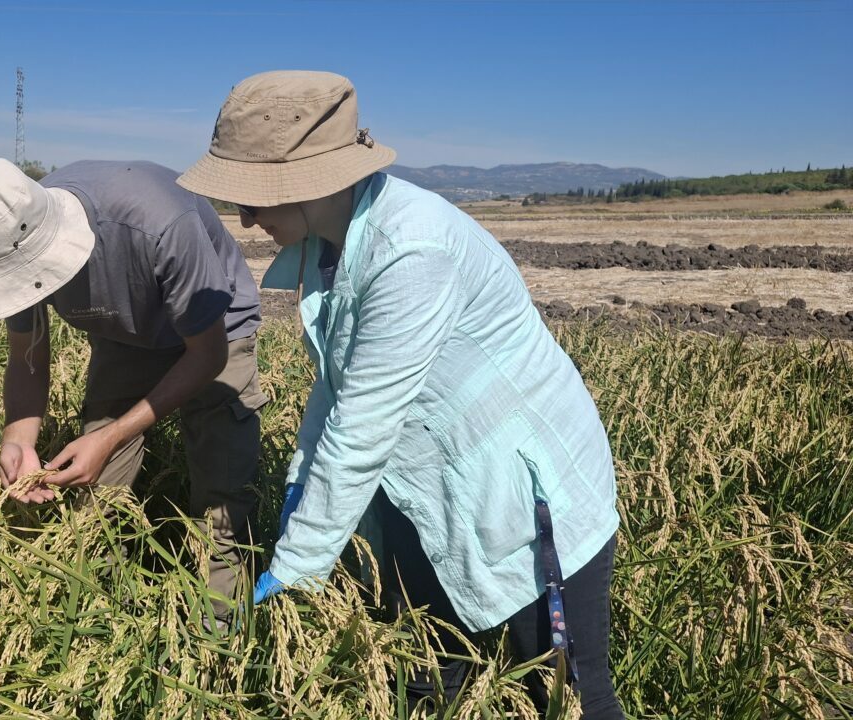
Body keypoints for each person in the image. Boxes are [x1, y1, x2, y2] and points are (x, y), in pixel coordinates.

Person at [177, 71, 622, 716]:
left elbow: (362, 424)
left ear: (311, 183)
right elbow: (336, 386)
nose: (244, 218)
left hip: (525, 498)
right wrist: (301, 485)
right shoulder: (328, 243)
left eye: (254, 199)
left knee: (567, 694)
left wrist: (298, 564)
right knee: (427, 675)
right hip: (421, 486)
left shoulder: (412, 250)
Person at [0, 158, 267, 617]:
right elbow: (28, 356)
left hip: (216, 331)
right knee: (97, 501)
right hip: (124, 335)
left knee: (221, 498)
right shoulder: (4, 236)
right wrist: (18, 440)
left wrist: (111, 435)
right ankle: (101, 618)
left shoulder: (161, 224)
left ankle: (218, 630)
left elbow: (207, 357)